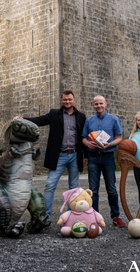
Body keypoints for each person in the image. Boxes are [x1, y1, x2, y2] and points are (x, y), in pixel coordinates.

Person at [14, 89, 87, 223]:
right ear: (61, 100)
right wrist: (22, 119)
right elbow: (39, 120)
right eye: (65, 99)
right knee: (50, 185)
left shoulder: (81, 116)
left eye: (70, 99)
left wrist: (85, 155)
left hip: (75, 156)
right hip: (59, 156)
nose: (67, 101)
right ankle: (45, 216)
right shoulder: (54, 114)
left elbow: (84, 136)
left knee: (74, 188)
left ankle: (71, 215)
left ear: (74, 100)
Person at [82, 95, 125, 227]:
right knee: (93, 189)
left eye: (101, 103)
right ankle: (94, 217)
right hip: (93, 157)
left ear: (105, 104)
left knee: (111, 188)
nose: (99, 106)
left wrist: (110, 144)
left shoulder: (113, 119)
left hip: (108, 156)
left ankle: (115, 216)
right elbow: (84, 138)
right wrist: (88, 144)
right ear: (93, 105)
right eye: (96, 104)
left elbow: (119, 138)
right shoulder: (89, 121)